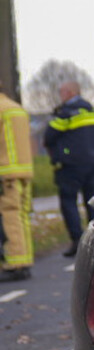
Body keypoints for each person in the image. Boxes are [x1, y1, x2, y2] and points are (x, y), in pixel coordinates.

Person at [43, 80, 94, 257]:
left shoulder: (65, 113)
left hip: (71, 165)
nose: (60, 96)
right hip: (93, 162)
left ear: (69, 92)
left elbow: (49, 137)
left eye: (61, 92)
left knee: (69, 201)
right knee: (93, 201)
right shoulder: (92, 110)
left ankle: (77, 240)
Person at [0, 87, 32, 280]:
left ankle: (16, 264)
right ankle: (25, 259)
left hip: (5, 173)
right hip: (24, 170)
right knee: (21, 216)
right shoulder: (15, 108)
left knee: (9, 217)